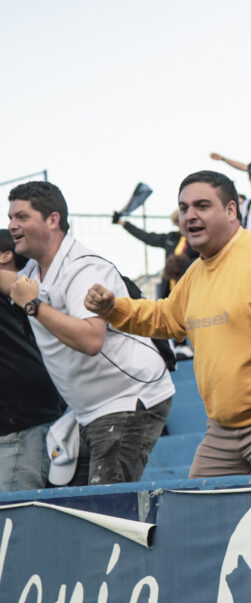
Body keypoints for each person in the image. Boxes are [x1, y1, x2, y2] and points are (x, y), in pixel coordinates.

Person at [84, 171, 251, 477]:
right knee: (196, 506)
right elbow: (166, 317)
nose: (190, 215)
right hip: (221, 431)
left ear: (231, 210)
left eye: (202, 206)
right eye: (184, 208)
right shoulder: (195, 272)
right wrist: (113, 308)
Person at [2, 182, 174, 485]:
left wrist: (33, 305)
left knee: (104, 504)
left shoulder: (83, 269)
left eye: (22, 217)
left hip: (127, 401)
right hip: (88, 411)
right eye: (10, 217)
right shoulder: (33, 271)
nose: (12, 225)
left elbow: (91, 340)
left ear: (52, 220)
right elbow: (12, 283)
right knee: (77, 504)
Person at [0, 229, 63, 491]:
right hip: (26, 422)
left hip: (21, 427)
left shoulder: (33, 295)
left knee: (16, 514)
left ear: (5, 255)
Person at [113, 209, 197, 297]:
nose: (181, 225)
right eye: (178, 222)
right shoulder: (170, 238)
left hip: (191, 288)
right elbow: (147, 237)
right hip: (171, 291)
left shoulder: (198, 241)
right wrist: (123, 223)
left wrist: (182, 264)